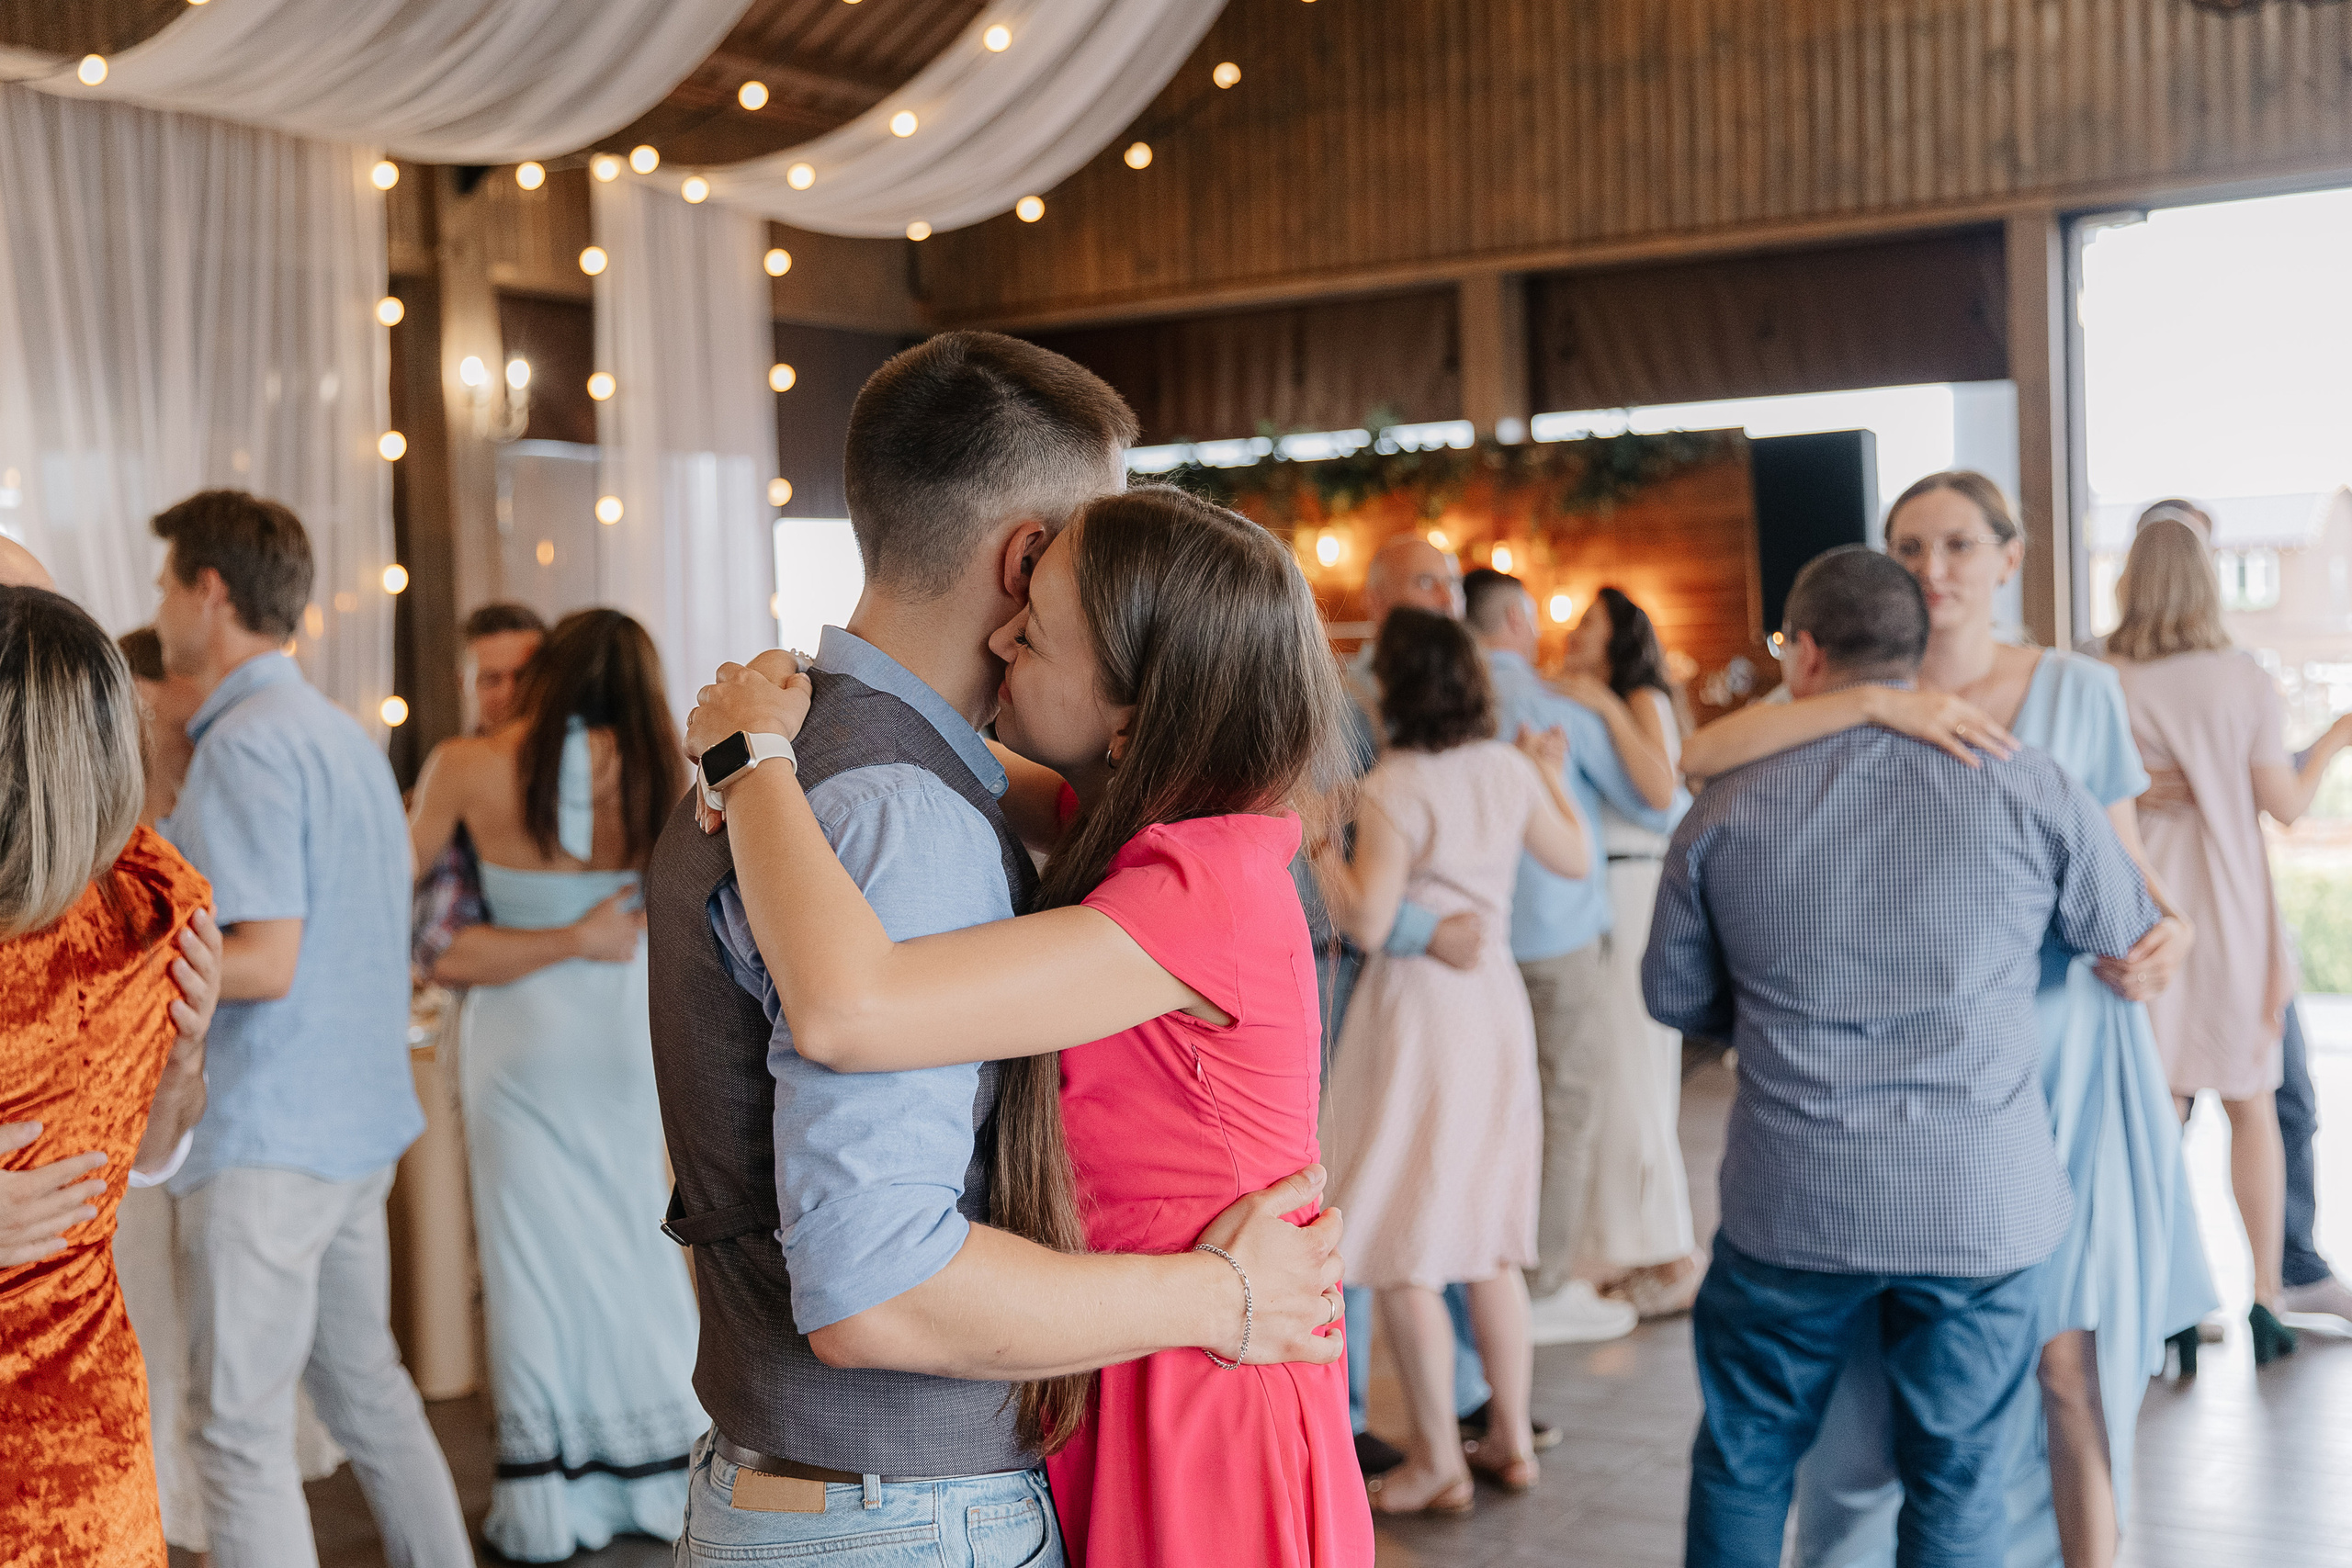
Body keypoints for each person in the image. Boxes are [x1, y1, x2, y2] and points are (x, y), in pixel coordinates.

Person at [644, 333, 1347, 1568]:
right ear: (1025, 558)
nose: (1020, 641)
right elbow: (966, 772)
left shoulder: (1191, 873)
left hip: (1195, 1387)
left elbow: (855, 1005)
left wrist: (750, 758)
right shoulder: (939, 801)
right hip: (1012, 1435)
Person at [1686, 475, 2215, 1568]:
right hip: (1908, 1087)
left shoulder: (2075, 689)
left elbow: (2124, 873)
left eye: (1959, 545)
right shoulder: (1847, 684)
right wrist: (1874, 703)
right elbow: (1696, 760)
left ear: (2007, 558)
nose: (1935, 568)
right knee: (1885, 1391)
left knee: (2063, 1365)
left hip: (2063, 1052)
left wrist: (2176, 930)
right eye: (1910, 546)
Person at [149, 490, 470, 1567]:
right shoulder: (339, 734)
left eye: (164, 584)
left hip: (269, 1137)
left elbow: (265, 959)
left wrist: (118, 972)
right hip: (355, 1125)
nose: (158, 607)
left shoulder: (241, 743)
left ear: (209, 590)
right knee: (369, 1396)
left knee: (236, 1437)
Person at [404, 607, 705, 1556]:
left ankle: (548, 1496)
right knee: (637, 1241)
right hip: (624, 1034)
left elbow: (394, 897)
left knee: (527, 1262)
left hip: (516, 1039)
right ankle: (658, 1475)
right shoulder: (672, 774)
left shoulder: (467, 764)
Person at [1309, 605, 1590, 1515]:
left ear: (1396, 687)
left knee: (1401, 1244)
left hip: (1421, 1014)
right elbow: (1575, 859)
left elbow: (1371, 921)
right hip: (1494, 1002)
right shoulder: (1508, 768)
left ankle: (1438, 1460)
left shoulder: (1396, 782)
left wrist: (1318, 848)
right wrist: (1549, 778)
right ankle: (1509, 1436)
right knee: (1488, 1245)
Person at [0, 585, 220, 1566]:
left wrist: (184, 1060)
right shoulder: (157, 904)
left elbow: (155, 1145)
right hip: (86, 1438)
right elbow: (151, 1155)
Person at [2103, 512, 2352, 1363]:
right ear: (2209, 578)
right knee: (2254, 1106)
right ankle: (2264, 1300)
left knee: (2158, 1107)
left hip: (2144, 901)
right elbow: (2283, 803)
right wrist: (2336, 736)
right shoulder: (2242, 677)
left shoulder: (2101, 672)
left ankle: (2167, 1302)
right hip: (2232, 904)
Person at [1331, 531, 1520, 1481]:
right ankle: (1357, 1413)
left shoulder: (1459, 694)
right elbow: (1327, 835)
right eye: (1425, 579)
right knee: (1376, 1197)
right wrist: (1423, 930)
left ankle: (1465, 1415)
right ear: (1377, 591)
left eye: (1452, 579)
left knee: (1446, 1196)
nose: (1446, 593)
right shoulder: (1350, 700)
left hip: (1447, 983)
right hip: (1376, 975)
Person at [1463, 566, 1680, 1344]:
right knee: (1571, 1103)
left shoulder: (1442, 699)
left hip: (1470, 941)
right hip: (1559, 933)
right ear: (1518, 619)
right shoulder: (1551, 704)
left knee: (1495, 1108)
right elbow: (1664, 800)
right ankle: (1542, 1283)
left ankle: (1485, 1274)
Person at [1551, 586, 1704, 1318]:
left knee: (1637, 1072)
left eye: (1587, 620)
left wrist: (1599, 701)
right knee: (1621, 1076)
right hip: (1608, 883)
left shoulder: (1640, 694)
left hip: (1636, 887)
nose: (1574, 629)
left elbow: (1658, 787)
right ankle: (1641, 1246)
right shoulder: (1593, 697)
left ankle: (1672, 1250)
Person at [413, 602, 559, 980]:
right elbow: (437, 952)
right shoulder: (451, 777)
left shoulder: (597, 771)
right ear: (465, 682)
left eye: (525, 677)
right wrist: (582, 939)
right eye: (492, 679)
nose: (512, 694)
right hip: (489, 1006)